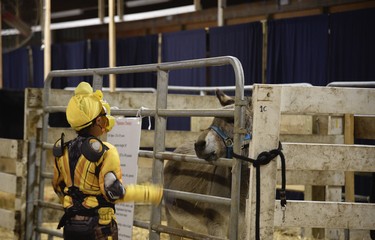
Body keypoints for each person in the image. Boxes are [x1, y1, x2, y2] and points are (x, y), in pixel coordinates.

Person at [52, 82, 163, 240]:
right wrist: (150, 193)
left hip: (71, 226)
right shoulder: (106, 152)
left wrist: (77, 206)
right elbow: (114, 193)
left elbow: (58, 187)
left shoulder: (62, 150)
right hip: (99, 227)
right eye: (103, 119)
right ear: (98, 122)